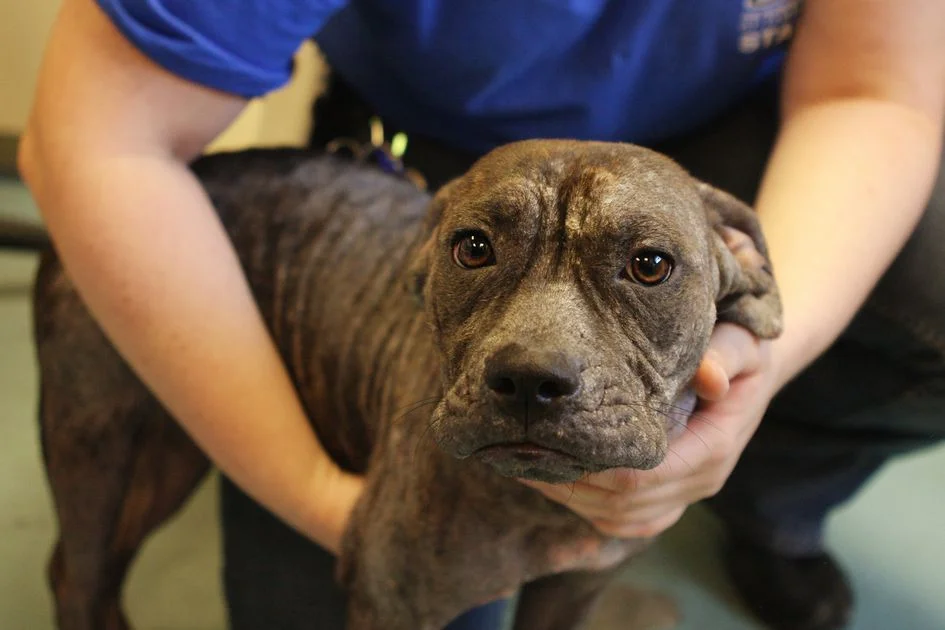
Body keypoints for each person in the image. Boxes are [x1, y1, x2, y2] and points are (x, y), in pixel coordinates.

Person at [18, 0, 945, 629]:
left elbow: (874, 91)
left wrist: (760, 376)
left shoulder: (722, 254)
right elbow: (100, 141)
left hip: (725, 136)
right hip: (424, 148)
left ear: (739, 272)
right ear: (424, 263)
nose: (540, 355)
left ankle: (774, 508)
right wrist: (322, 498)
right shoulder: (432, 239)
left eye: (651, 269)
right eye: (465, 255)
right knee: (258, 583)